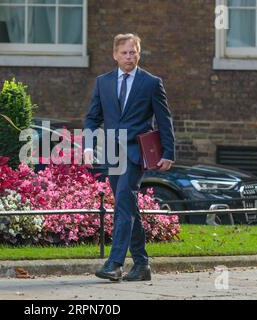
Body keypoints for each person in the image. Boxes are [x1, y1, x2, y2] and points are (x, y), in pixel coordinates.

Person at [83, 33, 175, 282]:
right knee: (126, 204)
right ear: (115, 55)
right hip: (112, 154)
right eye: (124, 52)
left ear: (139, 53)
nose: (129, 57)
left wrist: (168, 152)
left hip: (136, 153)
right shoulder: (103, 82)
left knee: (124, 197)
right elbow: (93, 117)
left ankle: (114, 263)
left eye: (133, 52)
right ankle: (142, 264)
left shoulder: (151, 83)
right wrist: (88, 146)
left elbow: (164, 119)